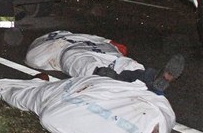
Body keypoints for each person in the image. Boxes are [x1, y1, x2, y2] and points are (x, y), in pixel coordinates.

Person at [0, 70, 176, 133]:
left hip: (70, 90)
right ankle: (151, 90)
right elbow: (42, 77)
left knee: (51, 112)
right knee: (117, 94)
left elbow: (33, 84)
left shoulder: (37, 92)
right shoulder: (37, 89)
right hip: (87, 87)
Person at [25, 30, 185, 94]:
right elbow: (111, 42)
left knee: (121, 64)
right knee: (119, 64)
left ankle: (152, 79)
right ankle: (149, 80)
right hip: (90, 51)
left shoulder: (60, 38)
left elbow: (33, 58)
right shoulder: (70, 36)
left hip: (84, 51)